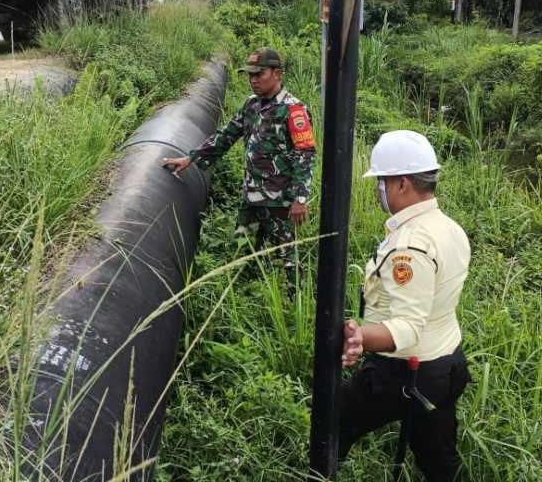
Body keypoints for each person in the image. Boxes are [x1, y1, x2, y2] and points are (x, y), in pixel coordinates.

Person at [339, 130, 471, 481]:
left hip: (406, 374)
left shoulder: (410, 246)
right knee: (441, 465)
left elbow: (409, 327)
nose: (378, 188)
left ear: (401, 184)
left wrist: (358, 337)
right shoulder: (449, 228)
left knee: (332, 422)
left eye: (381, 181)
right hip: (448, 367)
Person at [161, 47, 316, 293]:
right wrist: (190, 159)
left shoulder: (293, 110)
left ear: (277, 74)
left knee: (287, 258)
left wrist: (300, 198)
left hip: (280, 203)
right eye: (250, 75)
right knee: (243, 251)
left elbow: (305, 154)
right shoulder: (251, 105)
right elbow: (226, 136)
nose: (253, 80)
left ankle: (291, 308)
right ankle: (245, 294)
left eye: (259, 74)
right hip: (251, 197)